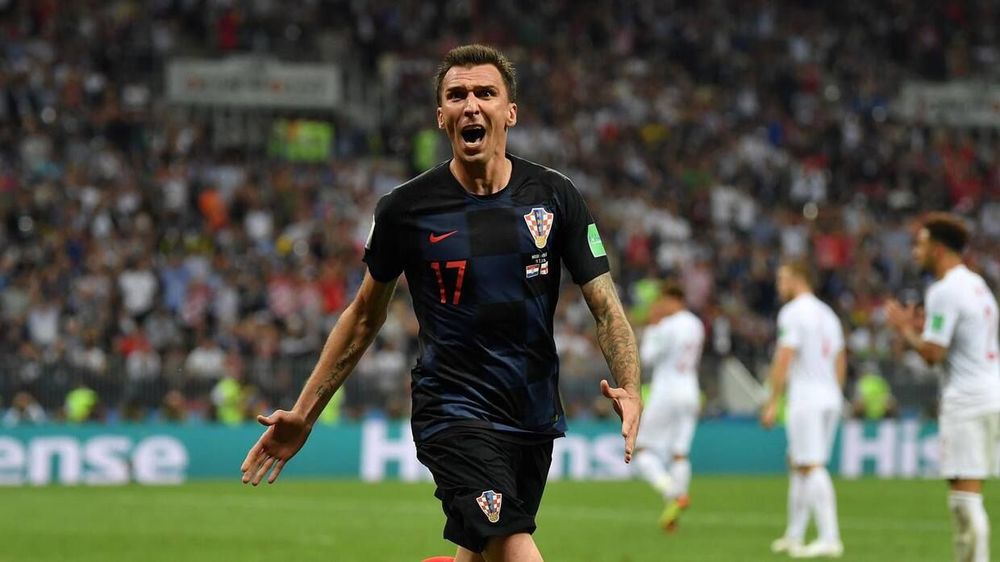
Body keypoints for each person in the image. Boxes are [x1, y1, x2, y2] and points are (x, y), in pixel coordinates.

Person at [240, 44, 642, 562]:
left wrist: (631, 385)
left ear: (510, 112)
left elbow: (605, 306)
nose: (471, 104)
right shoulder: (406, 209)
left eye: (485, 93)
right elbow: (363, 317)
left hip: (532, 413)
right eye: (457, 95)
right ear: (440, 116)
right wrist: (305, 413)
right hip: (451, 410)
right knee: (512, 544)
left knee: (482, 552)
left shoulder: (554, 196)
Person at [885, 212, 1000, 562]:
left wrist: (905, 330)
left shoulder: (944, 290)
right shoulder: (977, 284)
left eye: (920, 244)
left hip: (966, 401)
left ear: (938, 248)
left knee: (964, 502)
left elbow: (933, 354)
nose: (915, 251)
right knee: (970, 496)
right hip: (992, 393)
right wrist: (926, 329)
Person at [761, 261, 845, 558]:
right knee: (799, 463)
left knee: (811, 465)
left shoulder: (793, 312)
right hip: (830, 395)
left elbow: (784, 357)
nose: (779, 285)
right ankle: (794, 535)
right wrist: (834, 392)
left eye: (782, 278)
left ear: (798, 279)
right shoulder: (828, 313)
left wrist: (773, 401)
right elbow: (840, 358)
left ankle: (829, 538)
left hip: (806, 397)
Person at [632, 280, 704, 531]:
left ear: (673, 300)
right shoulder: (696, 324)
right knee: (680, 453)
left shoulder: (667, 325)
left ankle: (673, 492)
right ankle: (673, 512)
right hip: (691, 391)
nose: (660, 306)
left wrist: (653, 325)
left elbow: (648, 357)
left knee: (642, 450)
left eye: (663, 301)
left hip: (666, 392)